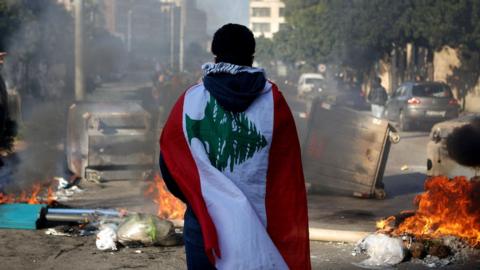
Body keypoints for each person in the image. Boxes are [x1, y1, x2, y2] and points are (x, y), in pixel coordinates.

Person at [159, 24, 311, 270]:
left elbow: (169, 164)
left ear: (215, 55)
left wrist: (198, 198)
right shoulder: (274, 102)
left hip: (205, 225)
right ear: (251, 56)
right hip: (259, 228)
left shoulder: (190, 100)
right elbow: (287, 172)